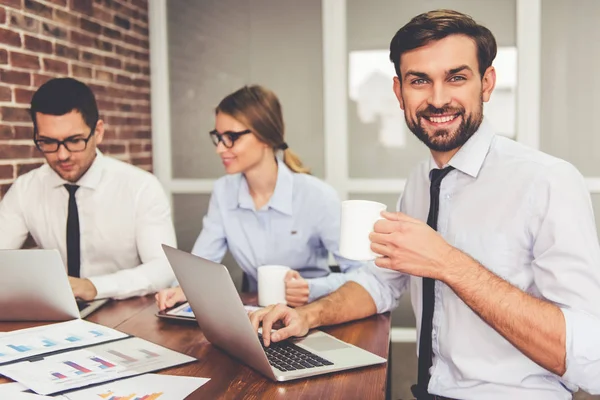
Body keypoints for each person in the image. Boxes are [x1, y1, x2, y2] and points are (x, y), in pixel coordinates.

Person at [249, 10, 600, 399]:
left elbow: (590, 357)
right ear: (399, 93)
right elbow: (382, 281)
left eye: (457, 77)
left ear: (487, 83)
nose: (437, 99)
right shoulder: (420, 181)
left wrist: (448, 263)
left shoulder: (549, 181)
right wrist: (306, 315)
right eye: (420, 81)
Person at [155, 85, 362, 311]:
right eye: (218, 137)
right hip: (257, 317)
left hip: (314, 314)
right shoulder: (224, 191)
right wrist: (182, 288)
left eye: (231, 137)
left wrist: (312, 288)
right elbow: (202, 263)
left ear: (265, 137)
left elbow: (362, 274)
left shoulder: (317, 196)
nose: (220, 149)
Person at [0, 77, 177, 301]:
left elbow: (163, 268)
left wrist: (94, 287)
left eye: (74, 140)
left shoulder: (140, 187)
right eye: (47, 142)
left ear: (98, 132)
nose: (62, 155)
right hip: (55, 311)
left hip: (127, 310)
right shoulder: (26, 189)